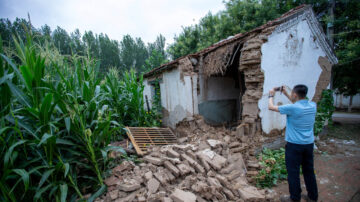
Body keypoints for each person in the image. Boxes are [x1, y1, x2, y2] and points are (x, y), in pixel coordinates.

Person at [268, 84, 318, 202]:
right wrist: (286, 93)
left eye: (292, 94)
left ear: (295, 94)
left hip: (294, 146)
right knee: (309, 171)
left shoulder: (292, 108)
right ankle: (312, 197)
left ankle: (294, 198)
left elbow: (271, 107)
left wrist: (271, 95)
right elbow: (297, 104)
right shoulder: (312, 105)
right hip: (309, 145)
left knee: (293, 172)